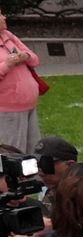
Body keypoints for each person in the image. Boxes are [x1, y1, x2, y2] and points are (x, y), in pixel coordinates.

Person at [0, 17, 39, 155]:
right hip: (8, 110)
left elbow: (35, 59)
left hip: (28, 104)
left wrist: (25, 56)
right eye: (0, 14)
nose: (4, 17)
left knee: (34, 153)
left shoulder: (8, 36)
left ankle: (32, 177)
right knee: (14, 154)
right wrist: (7, 65)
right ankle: (11, 177)